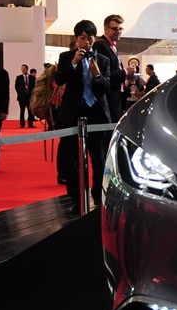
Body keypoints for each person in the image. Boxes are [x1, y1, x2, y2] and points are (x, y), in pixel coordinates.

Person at [55, 19, 111, 212]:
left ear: (95, 38)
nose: (87, 42)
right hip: (73, 114)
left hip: (96, 115)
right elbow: (59, 79)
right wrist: (73, 63)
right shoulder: (66, 57)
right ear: (76, 39)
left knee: (99, 159)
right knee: (72, 161)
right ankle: (77, 199)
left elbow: (105, 88)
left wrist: (97, 74)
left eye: (90, 38)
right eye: (82, 38)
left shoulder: (102, 60)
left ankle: (98, 196)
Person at [93, 14, 128, 121]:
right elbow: (105, 76)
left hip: (114, 97)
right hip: (108, 98)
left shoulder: (110, 45)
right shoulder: (101, 45)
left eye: (120, 28)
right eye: (115, 28)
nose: (119, 31)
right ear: (106, 29)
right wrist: (125, 73)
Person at [14, 63, 36, 127]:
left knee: (30, 111)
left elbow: (35, 86)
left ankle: (30, 124)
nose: (23, 70)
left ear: (27, 69)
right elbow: (16, 87)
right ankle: (22, 124)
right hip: (22, 97)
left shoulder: (32, 78)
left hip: (30, 97)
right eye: (22, 69)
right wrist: (20, 93)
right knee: (22, 111)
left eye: (24, 69)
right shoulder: (19, 78)